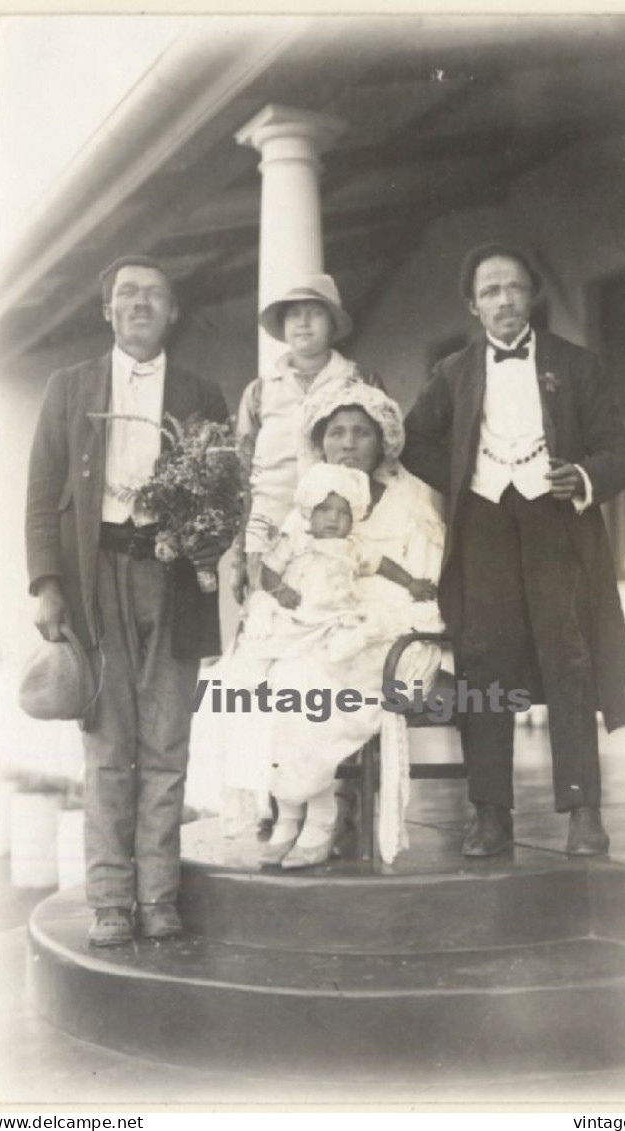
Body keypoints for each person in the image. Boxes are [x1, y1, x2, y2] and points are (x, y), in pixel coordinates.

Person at [402, 243, 625, 858]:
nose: (503, 300)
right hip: (482, 527)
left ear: (531, 296)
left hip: (556, 524)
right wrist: (464, 478)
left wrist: (582, 476)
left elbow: (619, 451)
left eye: (513, 287)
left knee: (570, 658)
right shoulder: (453, 372)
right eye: (489, 291)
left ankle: (583, 809)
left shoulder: (578, 365)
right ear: (472, 306)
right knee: (484, 667)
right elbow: (413, 440)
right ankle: (490, 814)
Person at [25, 254, 230, 946]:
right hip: (95, 579)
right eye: (126, 294)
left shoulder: (203, 393)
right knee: (109, 747)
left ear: (173, 312)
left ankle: (159, 896)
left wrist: (203, 541)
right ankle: (111, 899)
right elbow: (40, 499)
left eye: (154, 295)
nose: (139, 303)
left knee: (167, 743)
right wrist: (48, 584)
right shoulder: (68, 387)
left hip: (171, 579)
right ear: (106, 310)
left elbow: (225, 498)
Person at [201, 382, 445, 868]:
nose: (348, 444)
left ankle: (319, 813)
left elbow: (418, 582)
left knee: (302, 680)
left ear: (382, 442)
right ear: (320, 441)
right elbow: (284, 571)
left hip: (386, 631)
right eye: (336, 433)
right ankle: (288, 810)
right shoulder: (311, 503)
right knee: (247, 678)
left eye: (361, 433)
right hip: (315, 625)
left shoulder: (409, 501)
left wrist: (363, 622)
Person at [232, 272, 381, 604]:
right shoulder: (260, 391)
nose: (303, 323)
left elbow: (381, 460)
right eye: (294, 314)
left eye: (314, 313)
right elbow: (242, 474)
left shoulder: (358, 381)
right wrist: (240, 556)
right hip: (269, 531)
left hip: (335, 533)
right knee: (267, 626)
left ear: (332, 324)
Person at [242, 461, 437, 665]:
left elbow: (382, 564)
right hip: (300, 610)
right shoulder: (296, 540)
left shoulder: (353, 546)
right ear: (310, 512)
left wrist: (410, 582)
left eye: (343, 513)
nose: (334, 519)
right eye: (324, 510)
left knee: (352, 632)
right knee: (278, 635)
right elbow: (269, 569)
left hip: (338, 614)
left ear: (354, 518)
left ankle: (340, 650)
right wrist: (280, 590)